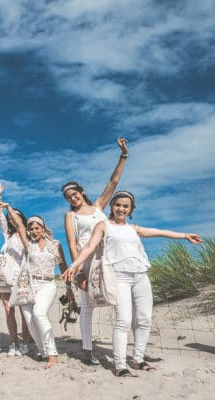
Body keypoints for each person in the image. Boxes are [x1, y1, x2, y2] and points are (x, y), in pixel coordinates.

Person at [63, 191, 202, 377]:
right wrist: (75, 265)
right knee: (124, 320)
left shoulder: (133, 228)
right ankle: (120, 364)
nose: (121, 208)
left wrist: (184, 235)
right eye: (118, 205)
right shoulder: (103, 226)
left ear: (130, 210)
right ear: (112, 206)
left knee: (144, 319)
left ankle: (138, 359)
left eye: (125, 206)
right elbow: (88, 247)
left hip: (140, 276)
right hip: (119, 277)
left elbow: (159, 232)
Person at [61, 137, 128, 365]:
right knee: (88, 306)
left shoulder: (99, 206)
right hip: (86, 260)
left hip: (109, 257)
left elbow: (114, 181)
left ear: (81, 191)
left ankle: (121, 348)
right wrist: (78, 269)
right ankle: (87, 350)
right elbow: (72, 244)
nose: (73, 197)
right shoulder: (70, 216)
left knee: (119, 300)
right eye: (69, 197)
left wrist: (123, 155)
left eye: (75, 193)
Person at [0, 202, 68, 368]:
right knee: (29, 320)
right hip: (28, 286)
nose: (34, 231)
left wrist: (70, 288)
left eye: (37, 228)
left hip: (47, 284)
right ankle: (43, 351)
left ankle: (52, 354)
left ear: (43, 229)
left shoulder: (55, 244)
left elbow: (63, 267)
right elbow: (20, 225)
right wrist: (8, 209)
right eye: (31, 229)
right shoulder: (28, 245)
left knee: (38, 313)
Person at [0, 183, 32, 356]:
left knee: (24, 312)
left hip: (20, 277)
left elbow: (16, 222)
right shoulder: (7, 236)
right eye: (10, 217)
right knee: (9, 311)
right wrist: (0, 200)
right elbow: (2, 220)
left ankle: (25, 343)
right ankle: (13, 343)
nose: (11, 219)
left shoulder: (26, 235)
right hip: (5, 278)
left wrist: (9, 207)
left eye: (15, 217)